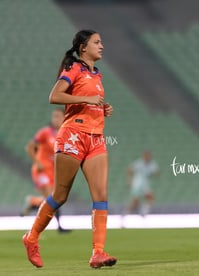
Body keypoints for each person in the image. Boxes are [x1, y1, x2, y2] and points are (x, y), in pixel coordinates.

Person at [22, 29, 117, 269]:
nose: (102, 46)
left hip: (96, 138)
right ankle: (31, 237)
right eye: (97, 42)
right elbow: (54, 96)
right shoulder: (73, 68)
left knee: (101, 196)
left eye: (102, 42)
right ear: (83, 47)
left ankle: (98, 253)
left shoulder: (97, 74)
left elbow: (90, 102)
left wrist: (101, 110)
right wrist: (85, 101)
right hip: (73, 135)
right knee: (60, 195)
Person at [21, 108, 70, 233]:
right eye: (54, 117)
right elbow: (29, 147)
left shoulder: (67, 135)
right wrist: (37, 162)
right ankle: (58, 227)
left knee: (54, 199)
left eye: (58, 116)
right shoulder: (45, 133)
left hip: (53, 171)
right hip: (41, 170)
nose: (55, 119)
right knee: (52, 197)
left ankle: (34, 202)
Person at [126, 150, 160, 216]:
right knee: (136, 202)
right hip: (138, 184)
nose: (147, 157)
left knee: (151, 198)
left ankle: (143, 211)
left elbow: (157, 171)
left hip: (145, 185)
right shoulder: (139, 163)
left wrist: (155, 173)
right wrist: (129, 180)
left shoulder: (152, 164)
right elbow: (130, 170)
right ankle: (127, 214)